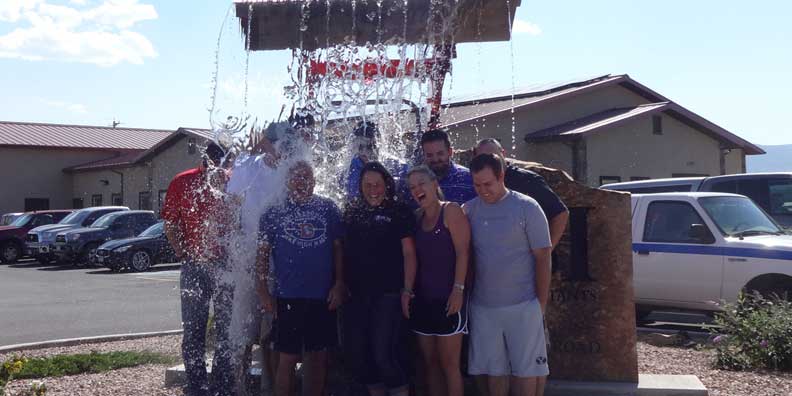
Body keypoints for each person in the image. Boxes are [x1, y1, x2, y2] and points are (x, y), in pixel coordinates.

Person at [464, 153, 553, 396]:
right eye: (477, 185)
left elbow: (543, 258)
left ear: (501, 176)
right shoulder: (469, 210)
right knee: (494, 371)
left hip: (523, 304)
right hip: (483, 307)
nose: (483, 190)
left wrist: (540, 306)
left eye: (488, 184)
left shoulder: (527, 207)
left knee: (527, 371)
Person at [256, 161, 346, 396]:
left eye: (306, 177)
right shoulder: (273, 212)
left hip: (322, 296)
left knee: (318, 357)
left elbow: (338, 249)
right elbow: (262, 256)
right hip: (287, 296)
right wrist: (262, 290)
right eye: (296, 177)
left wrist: (339, 284)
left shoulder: (328, 209)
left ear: (315, 182)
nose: (301, 182)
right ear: (287, 181)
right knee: (287, 358)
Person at [162, 141, 235, 396]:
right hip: (197, 264)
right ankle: (199, 385)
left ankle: (218, 383)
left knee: (225, 327)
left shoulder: (233, 182)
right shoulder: (183, 182)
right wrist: (183, 252)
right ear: (209, 160)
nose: (224, 168)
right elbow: (170, 223)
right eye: (221, 162)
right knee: (196, 326)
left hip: (223, 264)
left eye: (226, 162)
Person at [342, 161, 417, 396]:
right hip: (357, 295)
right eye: (367, 185)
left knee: (384, 354)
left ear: (387, 184)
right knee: (360, 354)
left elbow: (409, 253)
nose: (373, 189)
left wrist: (407, 290)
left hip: (390, 294)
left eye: (377, 184)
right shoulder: (352, 210)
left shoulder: (399, 210)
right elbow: (342, 250)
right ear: (360, 187)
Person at [403, 165, 471, 396]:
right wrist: (407, 291)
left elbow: (464, 252)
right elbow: (411, 258)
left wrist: (458, 290)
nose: (417, 190)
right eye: (412, 187)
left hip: (449, 299)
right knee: (430, 364)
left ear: (434, 185)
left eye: (421, 183)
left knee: (450, 365)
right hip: (423, 300)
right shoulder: (416, 218)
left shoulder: (451, 211)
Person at [473, 138, 568, 248]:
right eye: (483, 158)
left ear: (503, 154)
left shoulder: (527, 180)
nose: (489, 163)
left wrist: (546, 252)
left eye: (493, 156)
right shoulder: (475, 183)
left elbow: (560, 213)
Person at [345, 121, 409, 202]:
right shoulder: (347, 174)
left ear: (379, 145)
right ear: (354, 146)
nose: (365, 152)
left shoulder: (399, 168)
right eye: (360, 147)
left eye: (370, 147)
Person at [419, 129, 476, 205]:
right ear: (424, 155)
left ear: (450, 152)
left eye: (440, 154)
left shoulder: (469, 179)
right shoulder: (417, 184)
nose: (435, 159)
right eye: (429, 155)